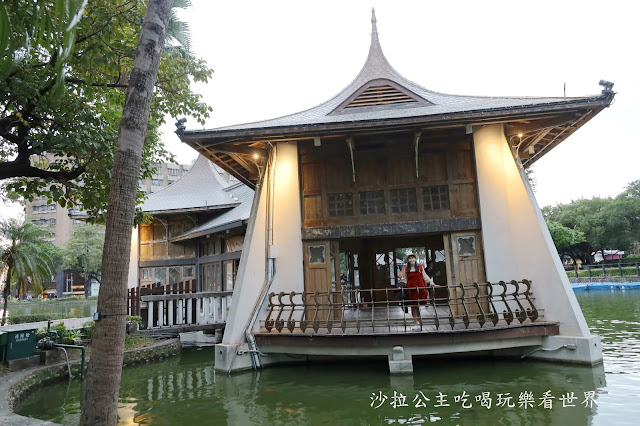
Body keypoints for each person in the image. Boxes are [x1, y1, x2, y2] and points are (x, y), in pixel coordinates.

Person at [399, 253, 444, 330]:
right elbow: (406, 279)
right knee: (413, 306)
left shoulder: (420, 267)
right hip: (411, 289)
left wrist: (432, 283)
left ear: (415, 259)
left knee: (418, 306)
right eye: (410, 258)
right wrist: (401, 285)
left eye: (413, 258)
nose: (411, 260)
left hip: (419, 288)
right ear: (408, 260)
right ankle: (415, 322)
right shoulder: (407, 269)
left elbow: (425, 276)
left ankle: (419, 321)